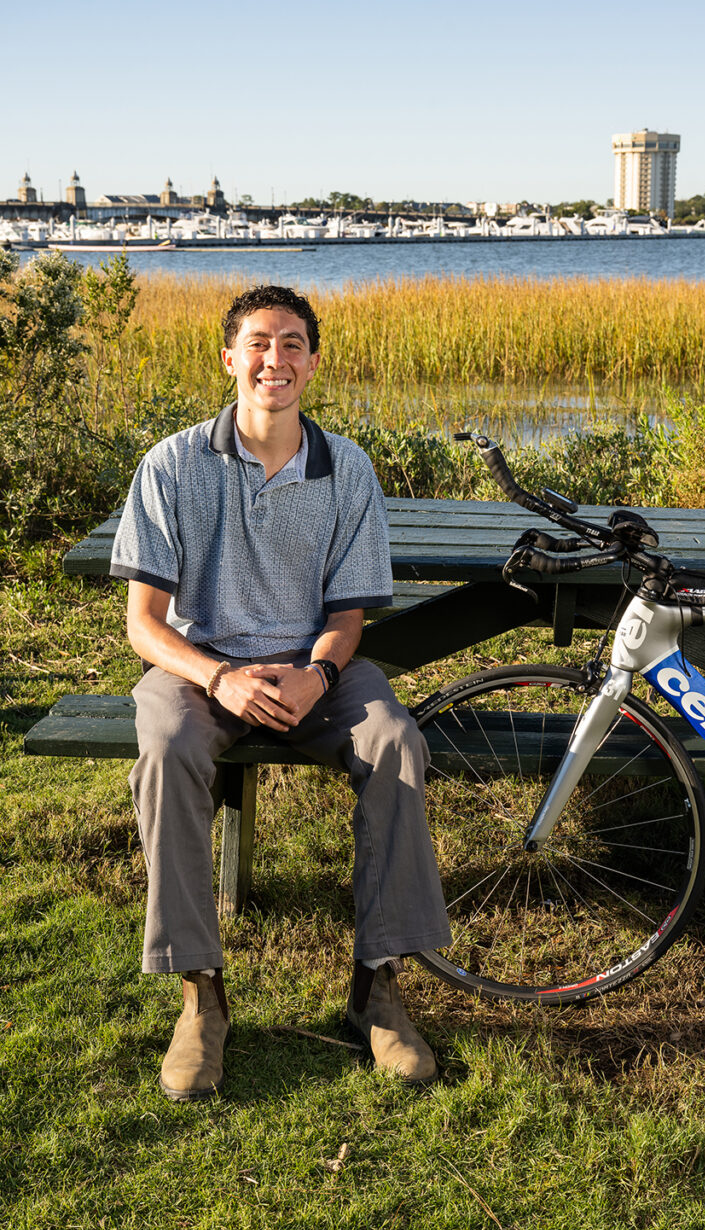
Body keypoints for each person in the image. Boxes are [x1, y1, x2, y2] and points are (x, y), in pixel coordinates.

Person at [110, 284, 451, 1099]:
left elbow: (348, 613)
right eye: (258, 343)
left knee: (396, 742)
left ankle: (379, 991)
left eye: (292, 343)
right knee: (163, 747)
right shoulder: (172, 463)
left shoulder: (348, 467)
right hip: (200, 668)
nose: (275, 359)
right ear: (229, 358)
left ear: (313, 361)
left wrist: (318, 674)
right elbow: (143, 625)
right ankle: (201, 996)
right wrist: (218, 675)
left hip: (314, 671)